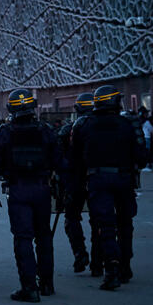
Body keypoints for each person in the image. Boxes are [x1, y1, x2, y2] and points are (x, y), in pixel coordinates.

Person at [0, 88, 59, 302]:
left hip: (18, 189)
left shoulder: (3, 132)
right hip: (42, 189)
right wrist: (65, 190)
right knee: (44, 236)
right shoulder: (45, 130)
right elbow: (61, 162)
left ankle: (29, 287)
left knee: (23, 238)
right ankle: (47, 284)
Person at [71, 85, 145, 290]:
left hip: (97, 179)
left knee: (106, 225)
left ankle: (111, 268)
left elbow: (74, 158)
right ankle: (125, 266)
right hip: (124, 179)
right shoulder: (128, 123)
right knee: (125, 223)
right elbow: (142, 156)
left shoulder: (84, 125)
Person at [57, 93, 101, 275]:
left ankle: (79, 253)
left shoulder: (69, 129)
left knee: (72, 218)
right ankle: (98, 262)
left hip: (76, 180)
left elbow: (58, 158)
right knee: (99, 221)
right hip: (98, 180)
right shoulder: (103, 127)